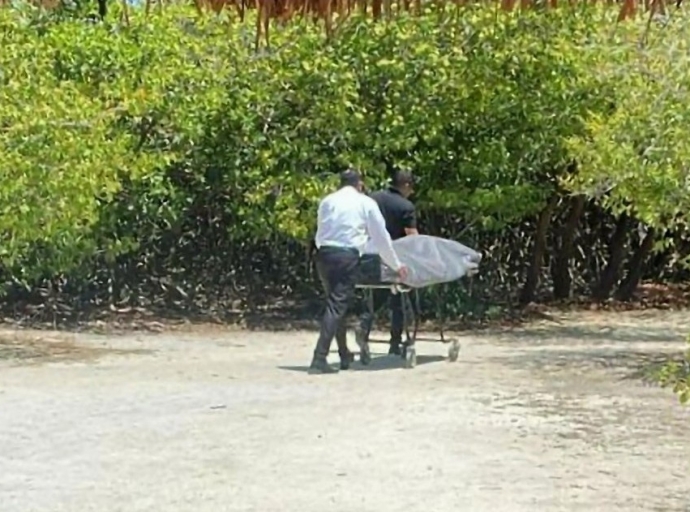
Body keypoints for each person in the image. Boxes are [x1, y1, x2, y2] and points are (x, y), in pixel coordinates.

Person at [309, 169, 407, 375]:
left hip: (323, 254)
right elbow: (381, 238)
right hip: (346, 256)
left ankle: (344, 354)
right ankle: (319, 358)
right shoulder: (365, 203)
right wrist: (396, 265)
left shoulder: (327, 201)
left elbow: (320, 231)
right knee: (337, 306)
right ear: (360, 184)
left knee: (335, 305)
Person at [356, 169, 419, 358]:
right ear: (406, 185)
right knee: (400, 301)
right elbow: (412, 236)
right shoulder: (406, 206)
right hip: (395, 258)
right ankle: (395, 343)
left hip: (370, 256)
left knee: (375, 297)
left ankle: (363, 328)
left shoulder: (372, 198)